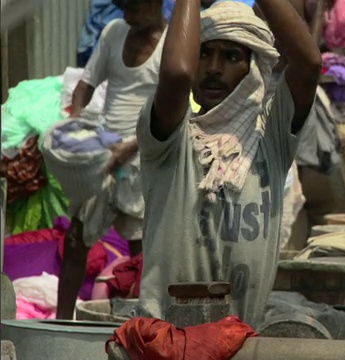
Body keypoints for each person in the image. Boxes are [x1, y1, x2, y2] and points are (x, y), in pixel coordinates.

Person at [134, 0, 321, 328]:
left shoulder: (270, 142)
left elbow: (308, 65)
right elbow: (177, 73)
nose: (213, 67)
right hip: (165, 342)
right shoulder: (172, 140)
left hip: (240, 341)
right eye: (203, 53)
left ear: (253, 68)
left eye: (231, 56)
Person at [57, 0, 167, 319]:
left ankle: (145, 327)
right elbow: (86, 85)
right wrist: (74, 122)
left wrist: (133, 146)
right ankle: (62, 323)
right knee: (76, 240)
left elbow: (179, 110)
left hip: (144, 161)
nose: (128, 17)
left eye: (135, 9)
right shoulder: (114, 33)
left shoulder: (172, 46)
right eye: (124, 9)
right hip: (106, 159)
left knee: (141, 258)